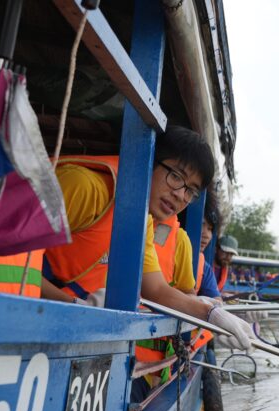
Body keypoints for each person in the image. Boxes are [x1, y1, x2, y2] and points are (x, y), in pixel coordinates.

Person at [41, 125, 255, 353]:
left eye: (191, 191)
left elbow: (157, 289)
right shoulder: (87, 188)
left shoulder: (142, 221)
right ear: (148, 160)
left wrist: (209, 315)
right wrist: (72, 305)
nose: (180, 195)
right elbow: (7, 263)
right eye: (175, 176)